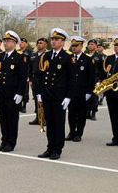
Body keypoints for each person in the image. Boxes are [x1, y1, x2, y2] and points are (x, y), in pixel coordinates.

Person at [37, 28, 73, 160]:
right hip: (47, 94)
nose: (53, 41)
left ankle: (57, 149)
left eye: (56, 39)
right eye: (52, 39)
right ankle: (50, 147)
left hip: (60, 96)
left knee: (58, 123)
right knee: (50, 123)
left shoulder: (68, 57)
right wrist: (40, 93)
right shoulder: (46, 55)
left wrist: (68, 96)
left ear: (63, 42)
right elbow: (40, 76)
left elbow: (71, 79)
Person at [0, 31, 28, 152]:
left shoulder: (20, 57)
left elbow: (22, 78)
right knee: (3, 117)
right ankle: (4, 140)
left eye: (8, 41)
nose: (6, 43)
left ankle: (11, 143)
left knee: (12, 119)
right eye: (5, 41)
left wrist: (20, 93)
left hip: (12, 94)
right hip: (1, 92)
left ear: (14, 43)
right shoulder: (1, 56)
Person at [66, 36, 95, 142]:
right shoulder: (69, 58)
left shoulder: (87, 59)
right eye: (72, 46)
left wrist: (89, 91)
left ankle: (79, 133)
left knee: (81, 114)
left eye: (76, 46)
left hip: (83, 91)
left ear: (82, 46)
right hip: (71, 91)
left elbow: (91, 77)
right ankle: (71, 132)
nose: (74, 48)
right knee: (71, 113)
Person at [28, 37, 48, 125]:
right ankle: (38, 117)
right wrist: (30, 79)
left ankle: (44, 118)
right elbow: (30, 68)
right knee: (36, 99)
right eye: (38, 43)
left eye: (41, 43)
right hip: (35, 80)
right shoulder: (33, 55)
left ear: (45, 44)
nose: (39, 44)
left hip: (44, 81)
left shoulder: (48, 55)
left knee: (44, 100)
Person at [86, 39, 104, 120]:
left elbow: (102, 70)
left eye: (92, 44)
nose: (90, 45)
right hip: (86, 79)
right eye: (89, 44)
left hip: (95, 79)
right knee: (86, 96)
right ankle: (87, 112)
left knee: (94, 97)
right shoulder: (85, 55)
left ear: (96, 46)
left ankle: (93, 113)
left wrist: (100, 81)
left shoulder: (99, 57)